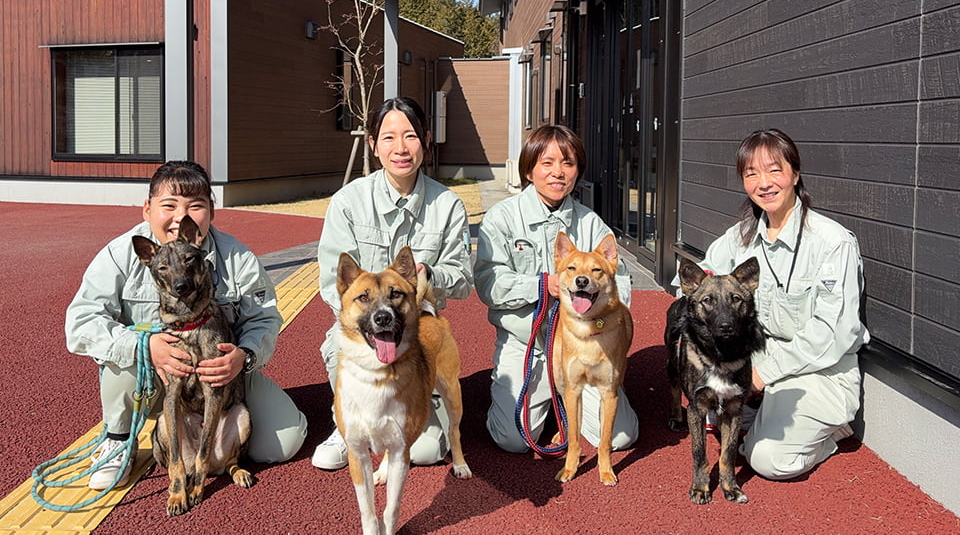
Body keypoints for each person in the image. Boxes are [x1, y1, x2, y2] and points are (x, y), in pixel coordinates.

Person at [65, 160, 308, 490]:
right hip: (154, 379)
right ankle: (119, 438)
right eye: (169, 205)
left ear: (211, 211)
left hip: (221, 376)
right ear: (147, 209)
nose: (182, 217)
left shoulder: (236, 257)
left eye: (196, 206)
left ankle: (214, 449)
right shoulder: (121, 254)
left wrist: (244, 356)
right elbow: (80, 323)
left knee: (284, 443)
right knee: (123, 354)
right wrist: (143, 347)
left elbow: (264, 318)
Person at [688, 128, 869, 480]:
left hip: (817, 373)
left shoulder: (831, 242)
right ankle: (761, 415)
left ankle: (832, 433)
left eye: (774, 170)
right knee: (710, 410)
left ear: (795, 174)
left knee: (768, 459)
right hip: (758, 365)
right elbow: (699, 279)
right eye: (751, 173)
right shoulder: (740, 237)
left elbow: (834, 334)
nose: (764, 183)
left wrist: (763, 374)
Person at [311, 97, 473, 470]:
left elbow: (463, 280)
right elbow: (328, 284)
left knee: (427, 451)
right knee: (343, 350)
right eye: (388, 138)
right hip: (365, 332)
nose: (400, 148)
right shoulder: (348, 202)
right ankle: (347, 421)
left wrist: (428, 276)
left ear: (427, 140)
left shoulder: (449, 206)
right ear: (373, 143)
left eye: (411, 136)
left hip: (418, 335)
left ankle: (420, 408)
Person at [475, 124, 639, 453]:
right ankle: (532, 399)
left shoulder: (591, 223)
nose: (558, 173)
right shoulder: (502, 218)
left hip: (586, 345)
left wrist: (599, 320)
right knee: (513, 440)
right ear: (529, 168)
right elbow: (487, 283)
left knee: (621, 438)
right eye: (547, 163)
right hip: (528, 345)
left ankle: (567, 396)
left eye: (568, 163)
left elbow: (620, 284)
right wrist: (541, 285)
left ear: (578, 171)